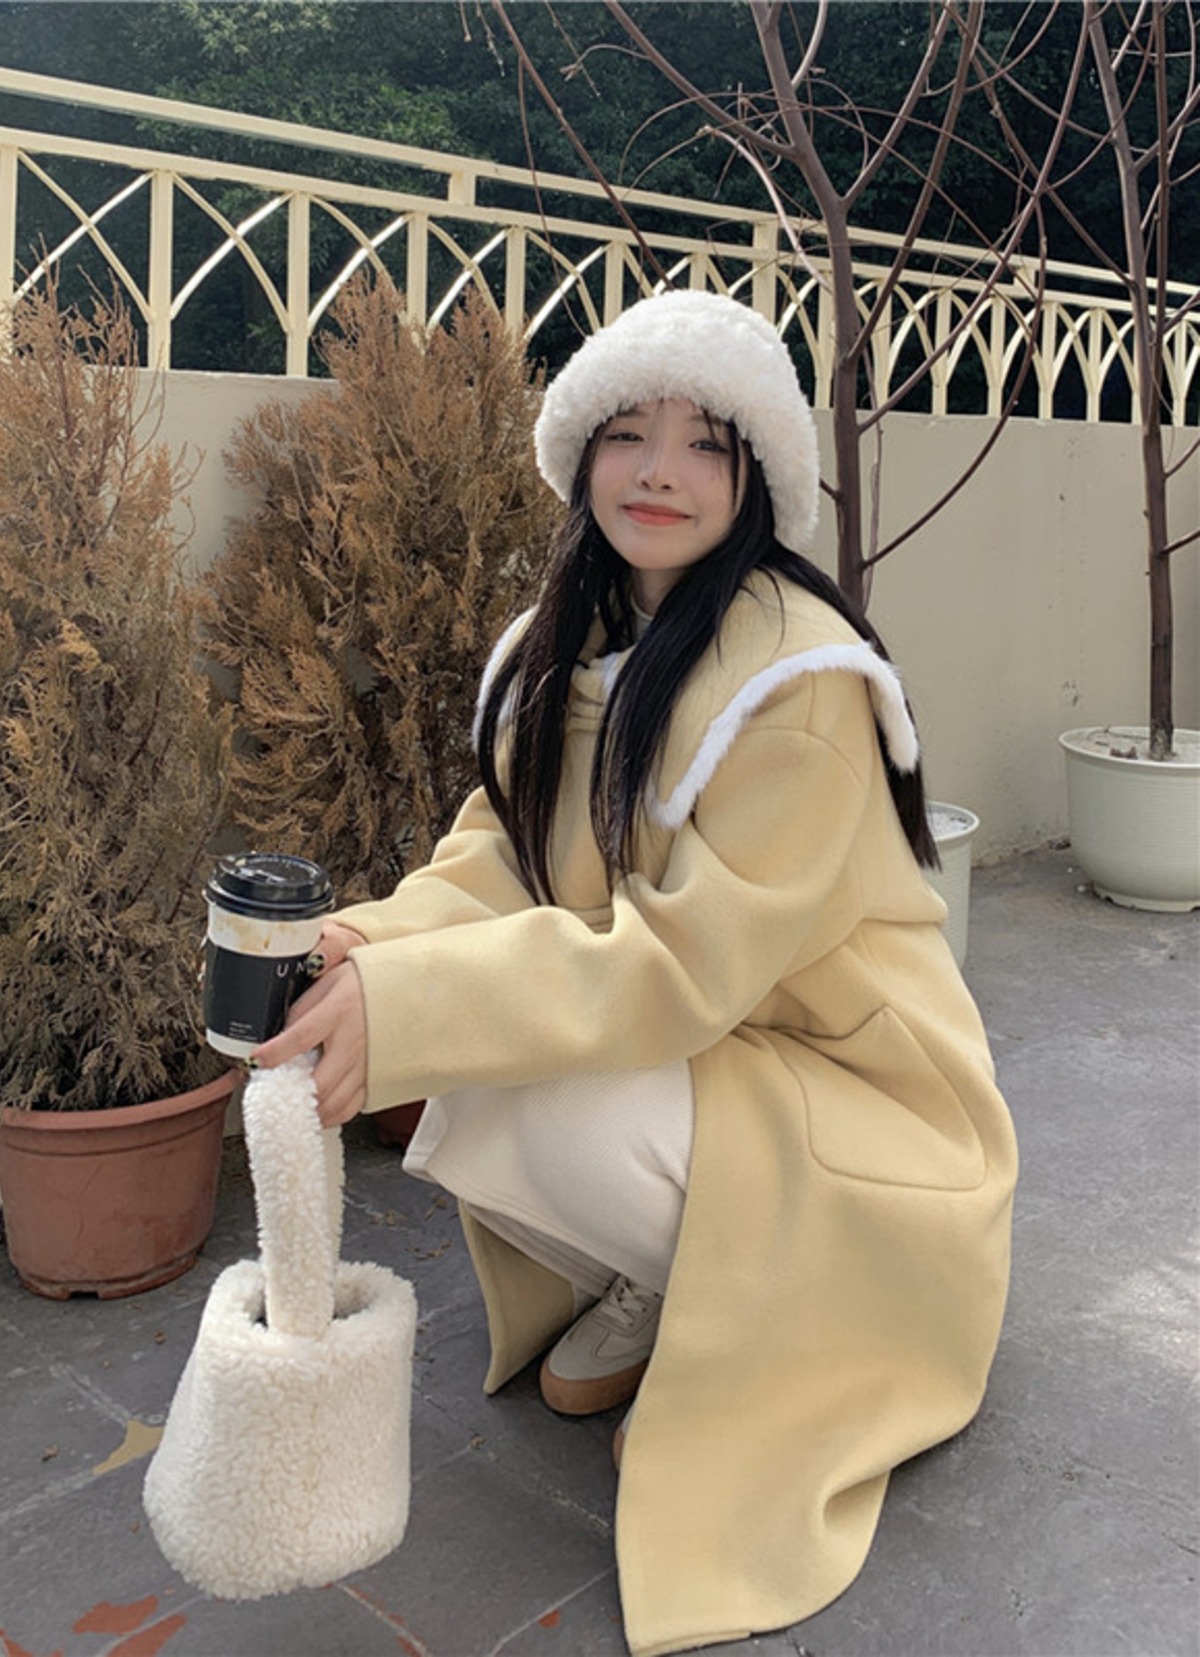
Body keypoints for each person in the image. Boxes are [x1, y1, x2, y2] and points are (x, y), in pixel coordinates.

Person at [252, 290, 1018, 1657]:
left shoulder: (797, 677)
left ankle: (767, 1306)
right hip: (736, 1071)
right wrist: (368, 948)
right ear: (581, 451)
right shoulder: (569, 642)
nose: (660, 471)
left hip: (865, 1122)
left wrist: (417, 1011)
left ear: (756, 475)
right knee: (475, 1057)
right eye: (629, 433)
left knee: (515, 1081)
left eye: (706, 443)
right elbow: (498, 861)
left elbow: (678, 970)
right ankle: (681, 1273)